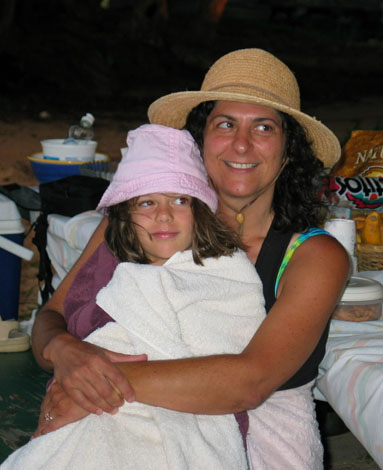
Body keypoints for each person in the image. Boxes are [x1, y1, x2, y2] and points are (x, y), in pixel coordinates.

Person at [31, 49, 350, 468]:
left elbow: (249, 382)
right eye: (225, 124)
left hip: (265, 445)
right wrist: (65, 350)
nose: (241, 143)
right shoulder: (137, 222)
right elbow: (49, 318)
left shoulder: (314, 256)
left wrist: (90, 384)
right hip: (123, 432)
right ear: (198, 140)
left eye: (264, 127)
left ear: (288, 153)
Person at [1, 124, 267, 470]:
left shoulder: (225, 274)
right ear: (124, 217)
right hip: (96, 412)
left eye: (180, 199)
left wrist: (96, 384)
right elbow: (61, 323)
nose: (163, 213)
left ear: (201, 210)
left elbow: (230, 362)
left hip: (187, 418)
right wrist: (68, 358)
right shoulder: (121, 268)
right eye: (147, 202)